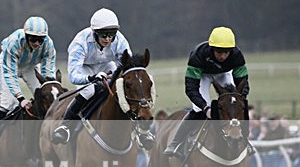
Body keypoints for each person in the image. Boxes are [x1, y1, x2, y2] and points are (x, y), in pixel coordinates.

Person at [51, 8, 153, 148]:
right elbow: (74, 76)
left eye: (111, 34)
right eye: (103, 35)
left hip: (106, 65)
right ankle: (65, 126)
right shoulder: (80, 43)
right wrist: (91, 78)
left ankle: (142, 130)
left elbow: (129, 66)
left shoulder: (120, 41)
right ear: (94, 33)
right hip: (85, 68)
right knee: (88, 91)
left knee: (123, 86)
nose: (107, 39)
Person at [163, 26, 253, 158]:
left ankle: (246, 140)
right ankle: (176, 143)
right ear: (211, 49)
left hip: (223, 74)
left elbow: (243, 83)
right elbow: (191, 88)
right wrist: (205, 108)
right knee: (198, 110)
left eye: (226, 52)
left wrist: (240, 99)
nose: (222, 56)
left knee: (237, 104)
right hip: (202, 75)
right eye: (219, 52)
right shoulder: (198, 55)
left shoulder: (237, 56)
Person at [0, 16, 57, 158]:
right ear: (26, 36)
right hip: (10, 66)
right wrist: (21, 98)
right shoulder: (14, 43)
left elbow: (48, 73)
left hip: (29, 67)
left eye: (40, 40)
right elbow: (10, 75)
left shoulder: (49, 45)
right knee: (8, 102)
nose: (36, 43)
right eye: (33, 39)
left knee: (45, 97)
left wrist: (48, 86)